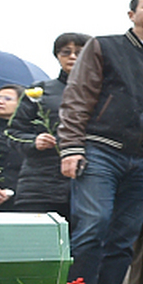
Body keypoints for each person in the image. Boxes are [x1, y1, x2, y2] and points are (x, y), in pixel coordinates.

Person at [59, 0, 143, 284]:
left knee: (125, 235)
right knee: (93, 225)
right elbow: (77, 95)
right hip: (100, 149)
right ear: (131, 14)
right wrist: (71, 148)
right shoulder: (104, 46)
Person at [10, 33, 88, 220]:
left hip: (89, 180)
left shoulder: (106, 92)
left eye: (79, 52)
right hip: (42, 181)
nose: (72, 57)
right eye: (66, 52)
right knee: (39, 241)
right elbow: (12, 132)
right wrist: (33, 141)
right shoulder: (40, 90)